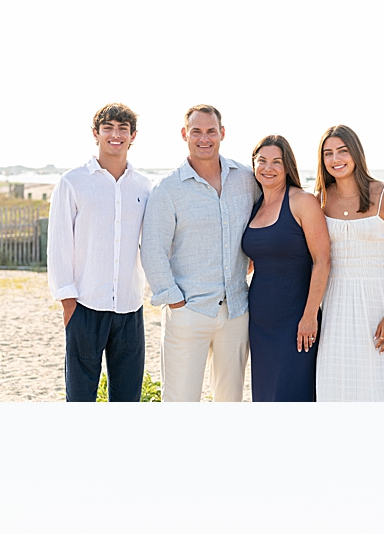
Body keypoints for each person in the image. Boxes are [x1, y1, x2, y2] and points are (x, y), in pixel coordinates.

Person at [140, 106, 258, 402]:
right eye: (196, 132)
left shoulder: (246, 178)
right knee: (181, 400)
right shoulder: (168, 189)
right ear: (185, 134)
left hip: (236, 310)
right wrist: (175, 302)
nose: (204, 138)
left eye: (210, 131)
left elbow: (266, 218)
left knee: (230, 399)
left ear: (222, 133)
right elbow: (153, 249)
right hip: (189, 311)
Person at [48, 103, 151, 403]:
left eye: (123, 129)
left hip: (130, 308)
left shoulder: (144, 187)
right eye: (108, 128)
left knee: (127, 399)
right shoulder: (72, 182)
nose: (115, 134)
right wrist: (68, 303)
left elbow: (153, 244)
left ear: (133, 136)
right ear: (95, 133)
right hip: (85, 305)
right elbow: (59, 246)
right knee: (81, 398)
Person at [314, 127, 384, 402]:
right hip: (335, 302)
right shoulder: (319, 200)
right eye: (328, 153)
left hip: (377, 301)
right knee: (335, 381)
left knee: (378, 380)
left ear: (356, 153)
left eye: (342, 151)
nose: (336, 159)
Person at [241, 134, 330, 402]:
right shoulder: (255, 205)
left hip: (296, 318)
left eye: (276, 162)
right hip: (260, 319)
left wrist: (310, 316)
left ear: (288, 166)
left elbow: (322, 261)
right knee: (266, 394)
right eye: (262, 161)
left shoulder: (302, 201)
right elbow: (253, 262)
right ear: (254, 164)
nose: (268, 168)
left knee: (292, 393)